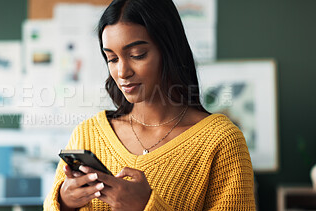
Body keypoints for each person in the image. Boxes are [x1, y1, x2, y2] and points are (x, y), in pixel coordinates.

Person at [44, 0, 256, 210]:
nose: (122, 72)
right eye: (112, 59)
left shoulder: (220, 141)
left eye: (137, 55)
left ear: (169, 50)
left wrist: (147, 207)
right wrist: (64, 201)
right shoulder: (88, 134)